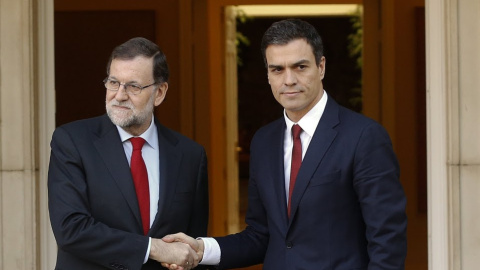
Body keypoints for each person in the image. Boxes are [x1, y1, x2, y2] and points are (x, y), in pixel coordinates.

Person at [163, 19, 407, 269]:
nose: (289, 80)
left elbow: (387, 240)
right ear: (268, 74)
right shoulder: (264, 141)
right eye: (277, 69)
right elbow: (260, 235)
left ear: (321, 67)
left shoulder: (364, 137)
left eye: (300, 67)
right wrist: (202, 250)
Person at [48, 37, 209, 270]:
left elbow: (190, 248)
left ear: (160, 92)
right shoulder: (72, 141)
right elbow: (71, 229)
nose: (120, 95)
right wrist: (153, 248)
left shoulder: (190, 155)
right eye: (113, 82)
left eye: (133, 86)